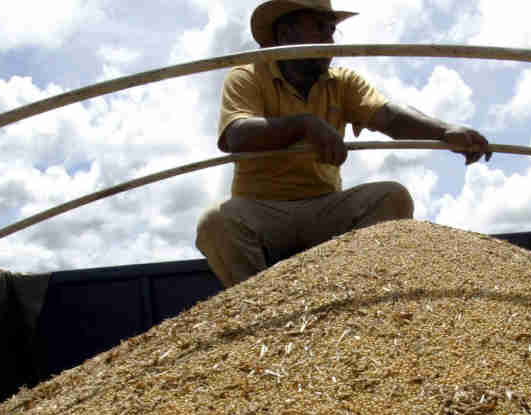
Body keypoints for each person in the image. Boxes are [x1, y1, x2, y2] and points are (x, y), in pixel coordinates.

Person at [196, 0, 493, 287]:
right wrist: (304, 125)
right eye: (319, 27)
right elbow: (236, 134)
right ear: (286, 34)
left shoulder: (343, 82)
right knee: (214, 223)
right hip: (262, 212)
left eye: (331, 29)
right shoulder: (247, 76)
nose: (330, 38)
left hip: (325, 207)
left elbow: (388, 116)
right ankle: (258, 308)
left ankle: (349, 297)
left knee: (392, 196)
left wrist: (445, 131)